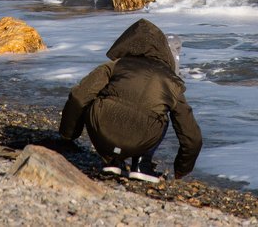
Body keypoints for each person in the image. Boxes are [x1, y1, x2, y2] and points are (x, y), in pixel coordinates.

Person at [59, 18, 202, 183]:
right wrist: (181, 171)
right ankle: (142, 164)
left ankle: (111, 159)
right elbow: (191, 137)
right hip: (142, 137)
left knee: (95, 97)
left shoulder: (114, 66)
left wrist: (68, 135)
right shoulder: (171, 83)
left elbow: (78, 97)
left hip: (103, 133)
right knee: (161, 114)